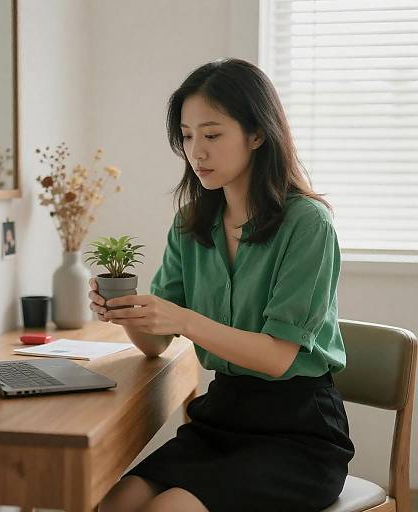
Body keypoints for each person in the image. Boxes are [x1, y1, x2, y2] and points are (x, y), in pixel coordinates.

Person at [89, 58, 355, 512]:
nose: (197, 152)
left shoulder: (308, 224)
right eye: (188, 136)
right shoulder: (191, 223)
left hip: (297, 433)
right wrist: (127, 314)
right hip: (221, 419)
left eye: (212, 135)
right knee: (113, 504)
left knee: (167, 509)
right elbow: (155, 345)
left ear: (257, 134)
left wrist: (185, 320)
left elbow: (276, 357)